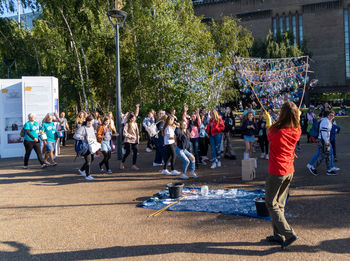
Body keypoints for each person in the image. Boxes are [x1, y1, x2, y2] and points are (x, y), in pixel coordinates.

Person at [264, 101, 301, 249]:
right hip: (289, 170)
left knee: (271, 204)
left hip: (277, 172)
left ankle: (289, 233)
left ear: (282, 114)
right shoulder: (297, 130)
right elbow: (293, 124)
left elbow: (269, 133)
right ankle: (278, 235)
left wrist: (268, 120)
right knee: (279, 204)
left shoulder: (276, 131)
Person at [307, 110, 337, 176]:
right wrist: (326, 141)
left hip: (324, 140)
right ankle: (313, 167)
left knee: (327, 155)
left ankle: (329, 170)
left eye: (332, 115)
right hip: (323, 140)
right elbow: (323, 132)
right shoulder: (325, 121)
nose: (331, 116)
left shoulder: (328, 121)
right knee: (324, 155)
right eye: (330, 115)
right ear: (327, 115)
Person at [73, 115, 97, 181]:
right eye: (89, 122)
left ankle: (81, 170)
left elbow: (93, 135)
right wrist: (83, 138)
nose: (90, 123)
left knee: (92, 159)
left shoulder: (91, 127)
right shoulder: (82, 128)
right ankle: (88, 175)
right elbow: (75, 136)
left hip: (91, 146)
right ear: (87, 121)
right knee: (88, 161)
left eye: (92, 122)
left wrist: (95, 143)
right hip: (85, 147)